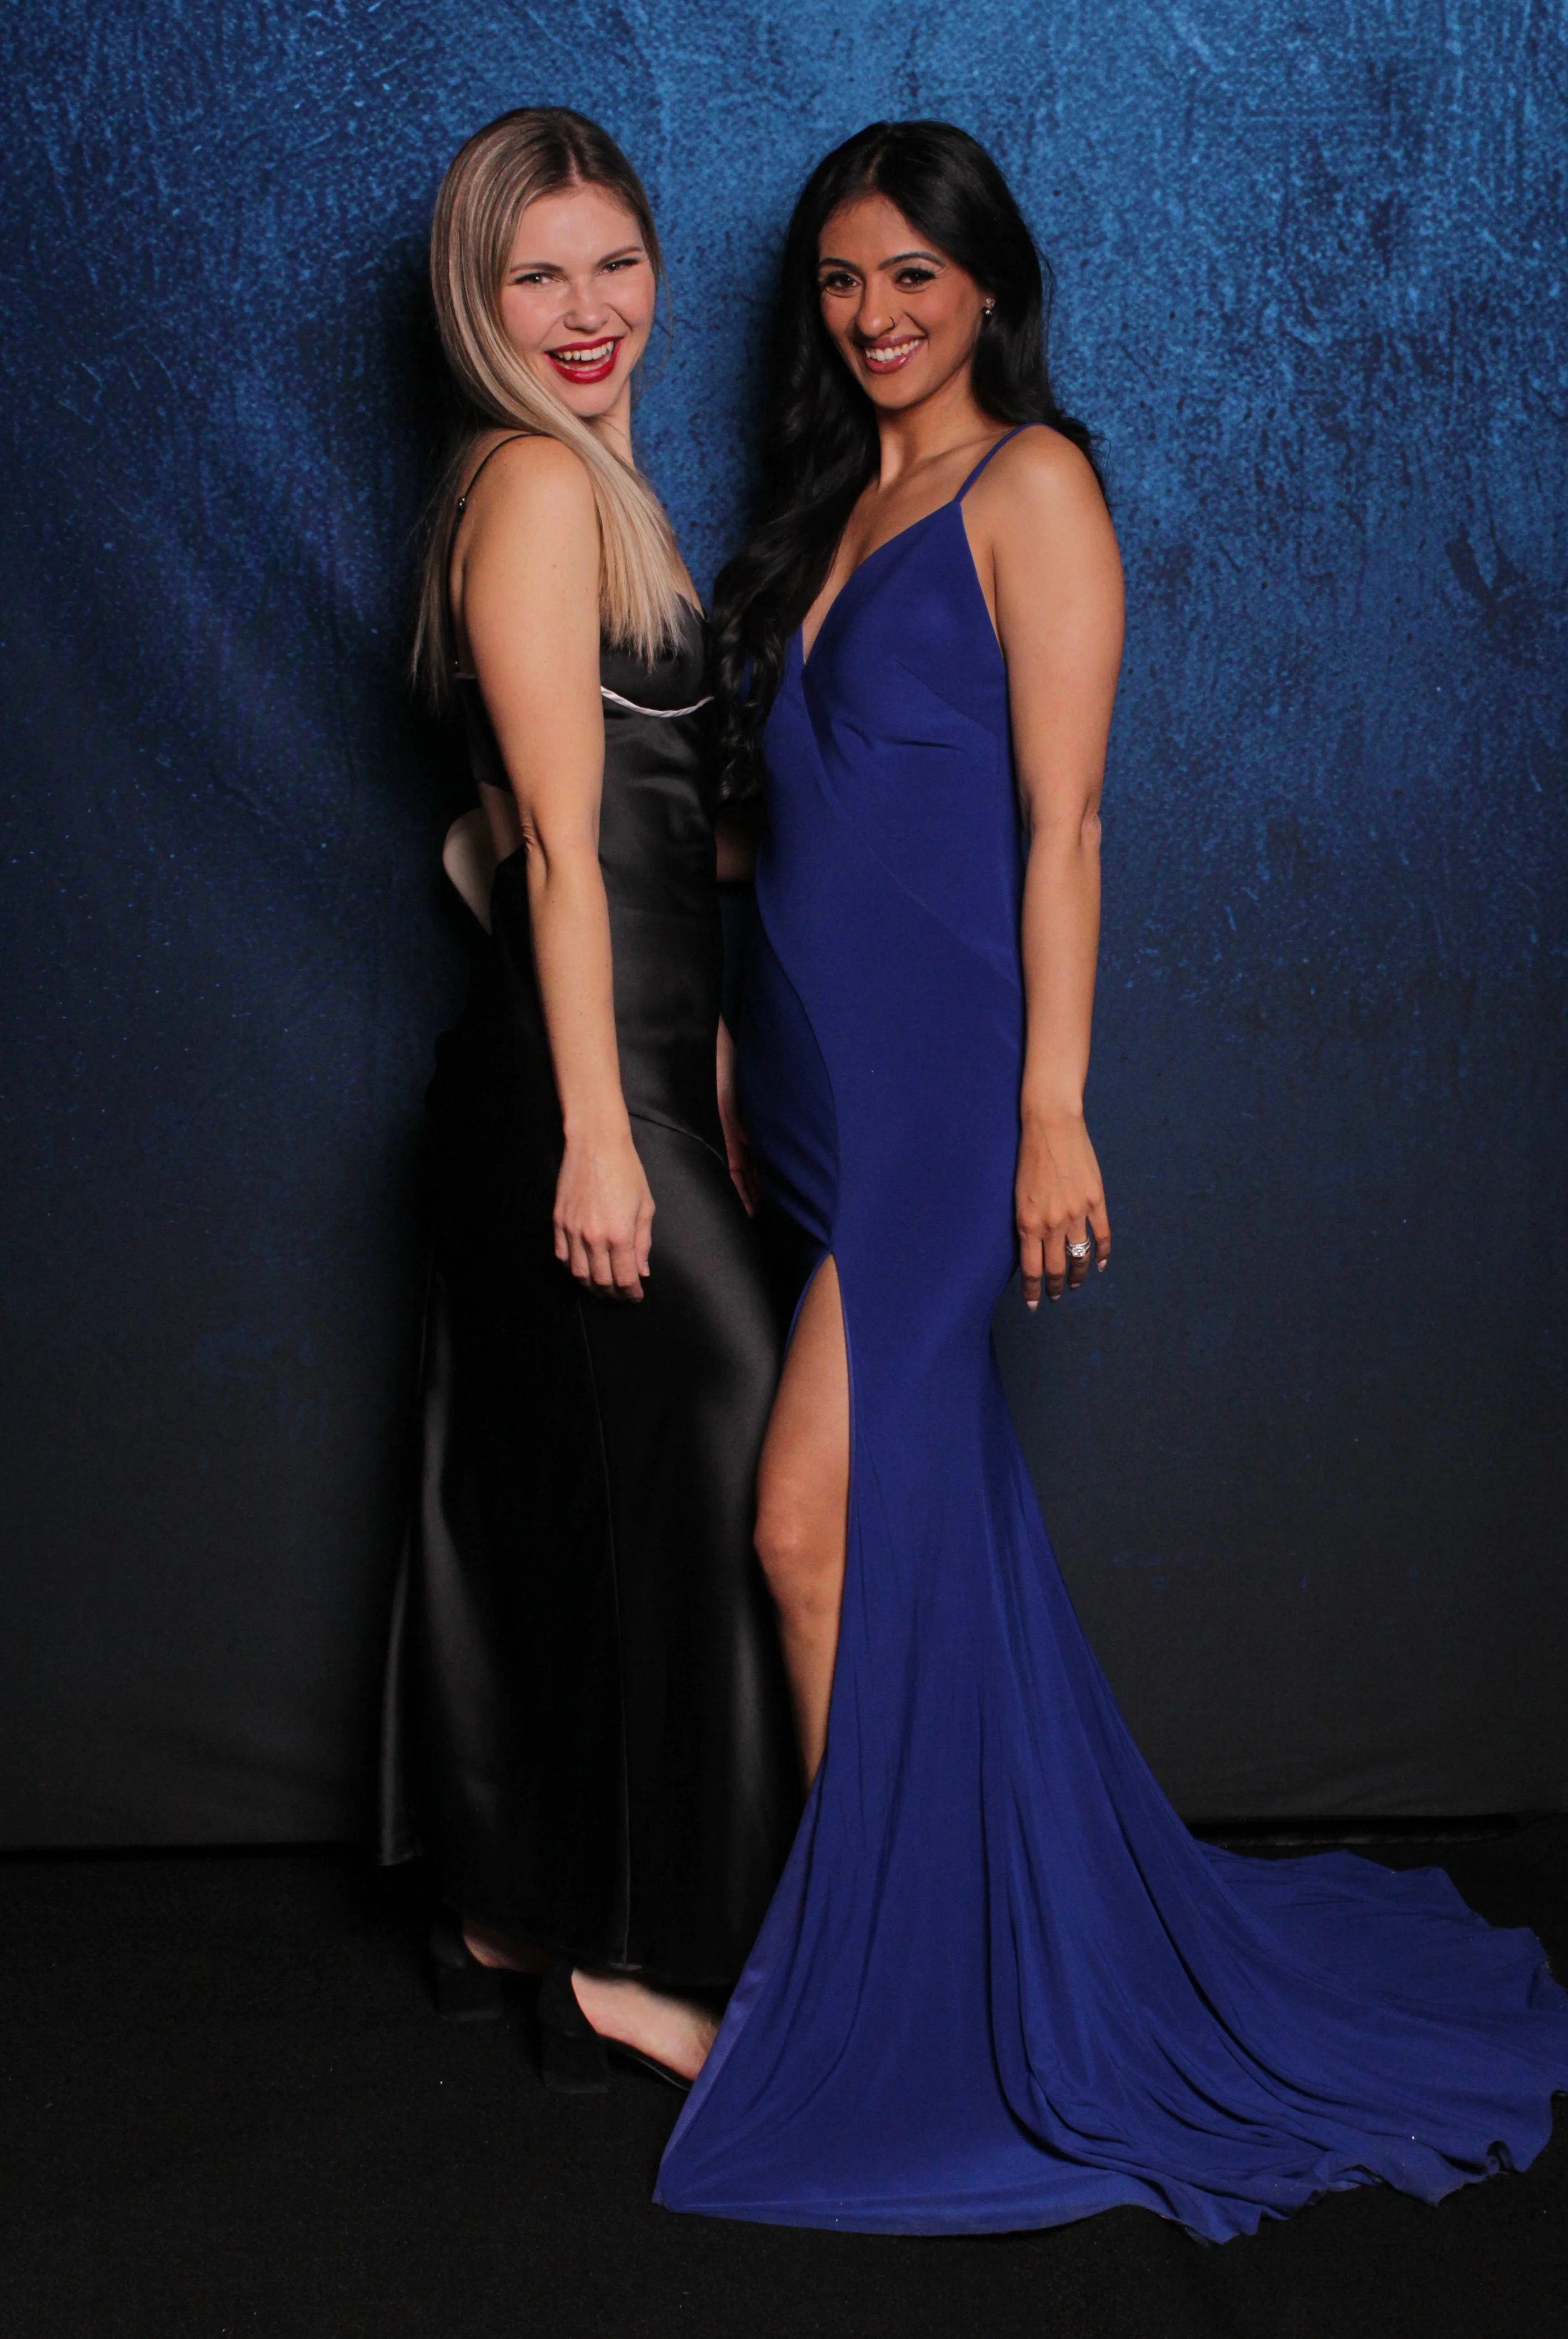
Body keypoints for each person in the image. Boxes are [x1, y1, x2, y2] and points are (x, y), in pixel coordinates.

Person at [655, 120, 1568, 2233]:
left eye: (911, 277)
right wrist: (719, 1029)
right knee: (915, 1525)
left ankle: (891, 1988)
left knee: (806, 1526)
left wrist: (1051, 1107)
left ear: (986, 282)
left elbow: (1061, 826)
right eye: (839, 283)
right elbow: (767, 818)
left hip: (945, 1093)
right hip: (801, 1076)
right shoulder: (825, 501)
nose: (874, 317)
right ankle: (950, 1929)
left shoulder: (1029, 484)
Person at [378, 107, 797, 2090]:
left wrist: (702, 1045)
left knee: (554, 1495)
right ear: (477, 297)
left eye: (611, 262)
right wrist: (603, 1130)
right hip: (568, 1093)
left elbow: (608, 835)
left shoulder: (604, 492)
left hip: (614, 1065)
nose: (583, 309)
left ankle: (501, 1905)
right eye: (533, 272)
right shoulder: (535, 493)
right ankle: (643, 1964)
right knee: (713, 1465)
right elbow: (550, 847)